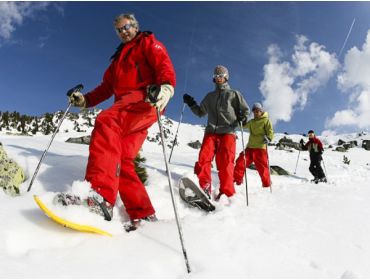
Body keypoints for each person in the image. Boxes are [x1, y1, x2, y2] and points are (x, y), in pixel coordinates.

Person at [55, 13, 176, 229]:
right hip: (127, 107)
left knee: (107, 120)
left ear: (135, 26)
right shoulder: (117, 61)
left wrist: (166, 86)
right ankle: (144, 215)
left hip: (144, 98)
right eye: (119, 30)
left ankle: (99, 196)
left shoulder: (147, 43)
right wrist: (85, 100)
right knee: (123, 158)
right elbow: (105, 89)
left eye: (127, 27)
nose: (124, 31)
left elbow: (163, 64)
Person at [183, 65, 249, 201]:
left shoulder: (234, 94)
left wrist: (243, 116)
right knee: (203, 159)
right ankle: (204, 187)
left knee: (225, 163)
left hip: (228, 132)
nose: (218, 78)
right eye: (216, 76)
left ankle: (227, 192)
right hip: (211, 132)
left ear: (226, 77)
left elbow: (245, 110)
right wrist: (191, 104)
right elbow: (200, 113)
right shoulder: (210, 97)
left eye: (221, 75)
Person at [234, 102, 274, 188]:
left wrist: (269, 138)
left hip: (260, 148)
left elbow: (270, 132)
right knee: (240, 162)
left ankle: (267, 185)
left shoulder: (266, 121)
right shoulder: (252, 122)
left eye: (258, 111)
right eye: (254, 111)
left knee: (262, 168)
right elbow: (242, 126)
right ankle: (237, 181)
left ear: (261, 111)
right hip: (250, 148)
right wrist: (241, 120)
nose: (256, 113)